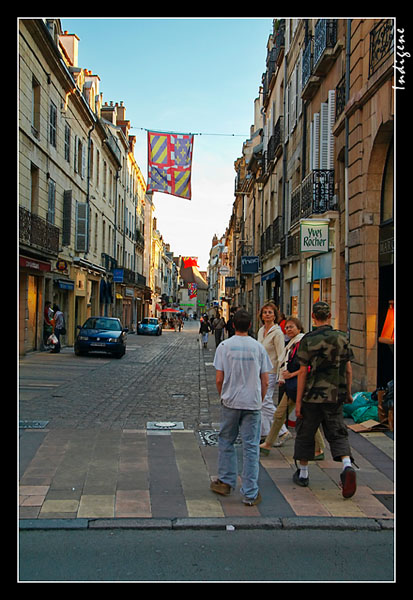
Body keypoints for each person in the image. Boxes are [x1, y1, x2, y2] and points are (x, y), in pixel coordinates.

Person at [293, 301, 357, 498]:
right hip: (335, 394)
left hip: (312, 395)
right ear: (330, 316)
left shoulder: (308, 340)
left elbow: (302, 372)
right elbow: (347, 368)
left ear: (313, 317)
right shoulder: (341, 338)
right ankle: (346, 465)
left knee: (306, 432)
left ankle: (303, 473)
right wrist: (348, 392)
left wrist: (297, 402)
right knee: (337, 431)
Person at [210, 309, 273, 506]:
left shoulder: (224, 346)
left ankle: (226, 481)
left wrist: (224, 395)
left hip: (231, 401)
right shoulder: (258, 348)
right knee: (251, 447)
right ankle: (250, 493)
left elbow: (219, 378)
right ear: (251, 326)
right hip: (252, 403)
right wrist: (260, 399)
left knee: (226, 441)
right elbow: (265, 380)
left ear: (233, 325)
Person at [259, 317, 325, 457]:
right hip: (293, 386)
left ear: (299, 328)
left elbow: (307, 366)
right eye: (287, 327)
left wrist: (290, 374)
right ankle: (268, 444)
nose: (288, 330)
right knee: (280, 415)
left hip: (300, 385)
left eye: (291, 327)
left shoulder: (301, 342)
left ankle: (319, 448)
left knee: (304, 417)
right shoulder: (292, 343)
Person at [257, 302, 285, 439]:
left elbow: (281, 355)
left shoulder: (277, 333)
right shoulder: (261, 331)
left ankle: (282, 431)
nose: (267, 315)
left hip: (272, 370)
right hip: (260, 370)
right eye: (265, 312)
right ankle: (265, 432)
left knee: (265, 401)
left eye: (270, 312)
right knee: (261, 401)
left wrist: (281, 374)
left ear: (275, 315)